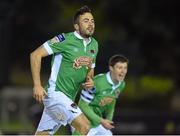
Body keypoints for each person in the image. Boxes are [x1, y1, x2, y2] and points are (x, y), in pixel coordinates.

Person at [30, 5, 98, 135]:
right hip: (55, 95)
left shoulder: (94, 45)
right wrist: (37, 85)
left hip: (68, 98)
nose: (90, 24)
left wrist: (90, 80)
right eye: (86, 21)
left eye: (92, 21)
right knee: (84, 126)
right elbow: (35, 55)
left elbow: (90, 70)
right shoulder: (64, 39)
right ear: (76, 26)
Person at [72, 54, 129, 135]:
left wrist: (108, 120)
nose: (123, 71)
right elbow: (82, 105)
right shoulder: (97, 83)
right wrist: (102, 121)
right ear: (111, 68)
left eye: (125, 68)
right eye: (120, 68)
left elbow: (112, 101)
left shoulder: (121, 84)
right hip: (82, 122)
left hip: (96, 123)